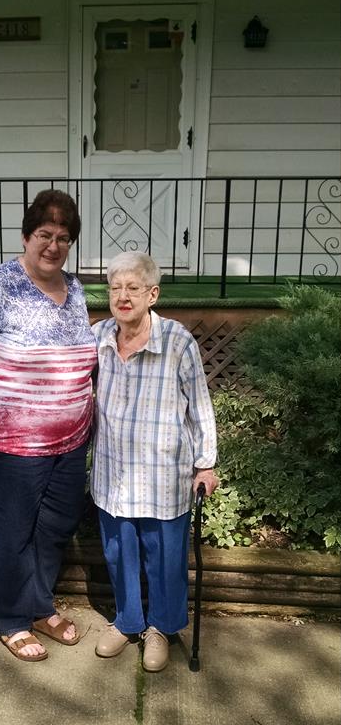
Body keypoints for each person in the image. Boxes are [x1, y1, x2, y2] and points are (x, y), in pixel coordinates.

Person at [0, 189, 97, 662]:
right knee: (13, 534)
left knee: (53, 529)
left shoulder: (75, 291)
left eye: (64, 238)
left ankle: (38, 606)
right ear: (26, 236)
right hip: (8, 446)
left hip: (69, 444)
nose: (54, 246)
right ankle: (10, 620)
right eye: (45, 235)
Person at [91, 251, 219, 672]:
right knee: (118, 552)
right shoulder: (100, 337)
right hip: (113, 474)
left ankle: (161, 628)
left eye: (132, 288)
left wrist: (206, 464)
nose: (122, 296)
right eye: (115, 288)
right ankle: (127, 621)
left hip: (163, 475)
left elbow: (199, 407)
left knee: (165, 557)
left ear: (152, 293)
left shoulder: (177, 341)